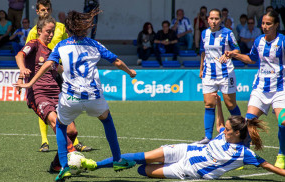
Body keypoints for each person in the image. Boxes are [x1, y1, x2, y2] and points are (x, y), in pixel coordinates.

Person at [13, 10, 137, 181]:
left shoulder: (60, 46)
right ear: (85, 28)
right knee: (107, 120)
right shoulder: (94, 44)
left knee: (64, 128)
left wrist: (28, 82)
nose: (51, 34)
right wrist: (130, 72)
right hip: (92, 97)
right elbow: (116, 61)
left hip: (70, 98)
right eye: (48, 31)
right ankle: (117, 159)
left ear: (68, 29)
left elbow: (50, 65)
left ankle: (63, 167)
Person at [80, 93, 285, 180]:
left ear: (237, 133)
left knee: (143, 170)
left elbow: (268, 166)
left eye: (229, 129)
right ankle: (94, 165)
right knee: (137, 156)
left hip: (187, 169)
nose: (224, 129)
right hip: (186, 150)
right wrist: (218, 104)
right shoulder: (225, 134)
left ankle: (121, 164)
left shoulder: (243, 153)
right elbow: (220, 124)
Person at [15, 16, 81, 175]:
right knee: (55, 122)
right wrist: (22, 71)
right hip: (38, 94)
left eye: (52, 32)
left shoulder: (52, 53)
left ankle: (57, 164)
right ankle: (73, 156)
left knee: (72, 132)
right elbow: (19, 55)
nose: (50, 35)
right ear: (39, 31)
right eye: (47, 31)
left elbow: (58, 70)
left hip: (56, 94)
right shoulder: (34, 44)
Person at [26, 0, 91, 154]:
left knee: (66, 105)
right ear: (37, 12)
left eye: (47, 9)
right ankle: (44, 141)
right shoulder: (33, 31)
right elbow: (28, 55)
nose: (45, 12)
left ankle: (75, 141)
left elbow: (69, 46)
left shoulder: (60, 28)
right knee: (44, 106)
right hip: (42, 74)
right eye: (42, 10)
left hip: (59, 72)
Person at [226, 10, 285, 169]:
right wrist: (234, 55)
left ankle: (282, 154)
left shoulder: (283, 41)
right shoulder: (258, 40)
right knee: (248, 122)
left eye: (268, 24)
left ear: (276, 25)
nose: (265, 26)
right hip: (260, 88)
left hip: (280, 89)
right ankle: (242, 155)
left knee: (283, 123)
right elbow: (252, 59)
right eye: (263, 23)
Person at [197, 9, 241, 144]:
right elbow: (203, 52)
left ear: (220, 19)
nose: (214, 21)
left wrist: (229, 53)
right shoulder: (204, 33)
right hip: (209, 73)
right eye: (211, 18)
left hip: (225, 73)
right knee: (209, 103)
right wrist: (201, 69)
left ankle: (242, 132)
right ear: (208, 20)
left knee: (230, 104)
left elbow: (237, 49)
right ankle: (207, 137)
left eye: (216, 18)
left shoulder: (227, 33)